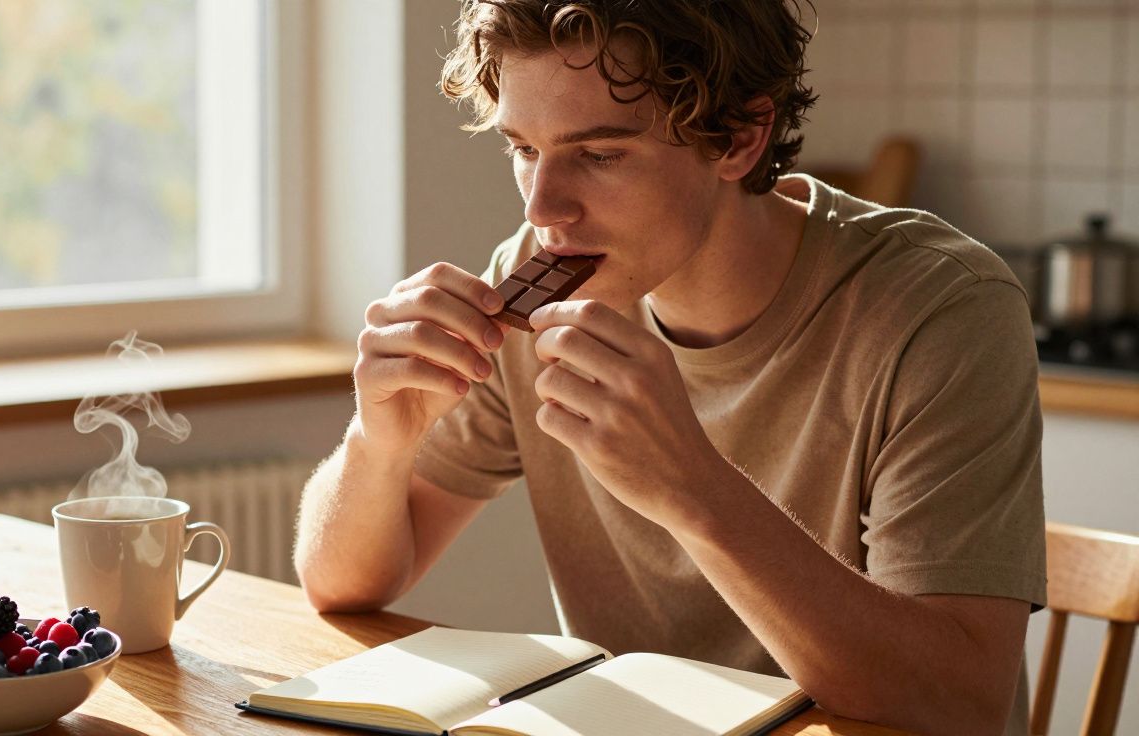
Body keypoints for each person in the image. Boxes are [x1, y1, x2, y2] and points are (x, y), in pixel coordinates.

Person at [294, 2, 1046, 734]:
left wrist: (691, 485)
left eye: (599, 155)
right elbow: (342, 585)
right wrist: (377, 440)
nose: (544, 210)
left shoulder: (942, 311)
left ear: (742, 137)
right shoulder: (535, 279)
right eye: (524, 149)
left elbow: (960, 705)